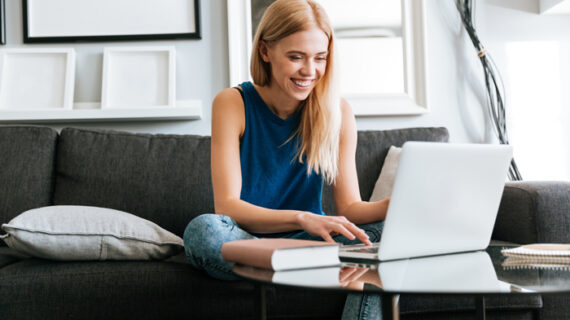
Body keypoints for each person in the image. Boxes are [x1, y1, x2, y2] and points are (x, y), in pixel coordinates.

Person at [183, 0, 390, 319]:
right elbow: (227, 207)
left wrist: (398, 205)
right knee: (204, 231)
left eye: (319, 58)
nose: (310, 71)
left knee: (389, 238)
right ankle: (321, 264)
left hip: (312, 242)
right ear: (265, 51)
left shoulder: (338, 111)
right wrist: (301, 218)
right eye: (296, 57)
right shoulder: (232, 103)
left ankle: (312, 264)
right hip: (250, 241)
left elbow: (350, 208)